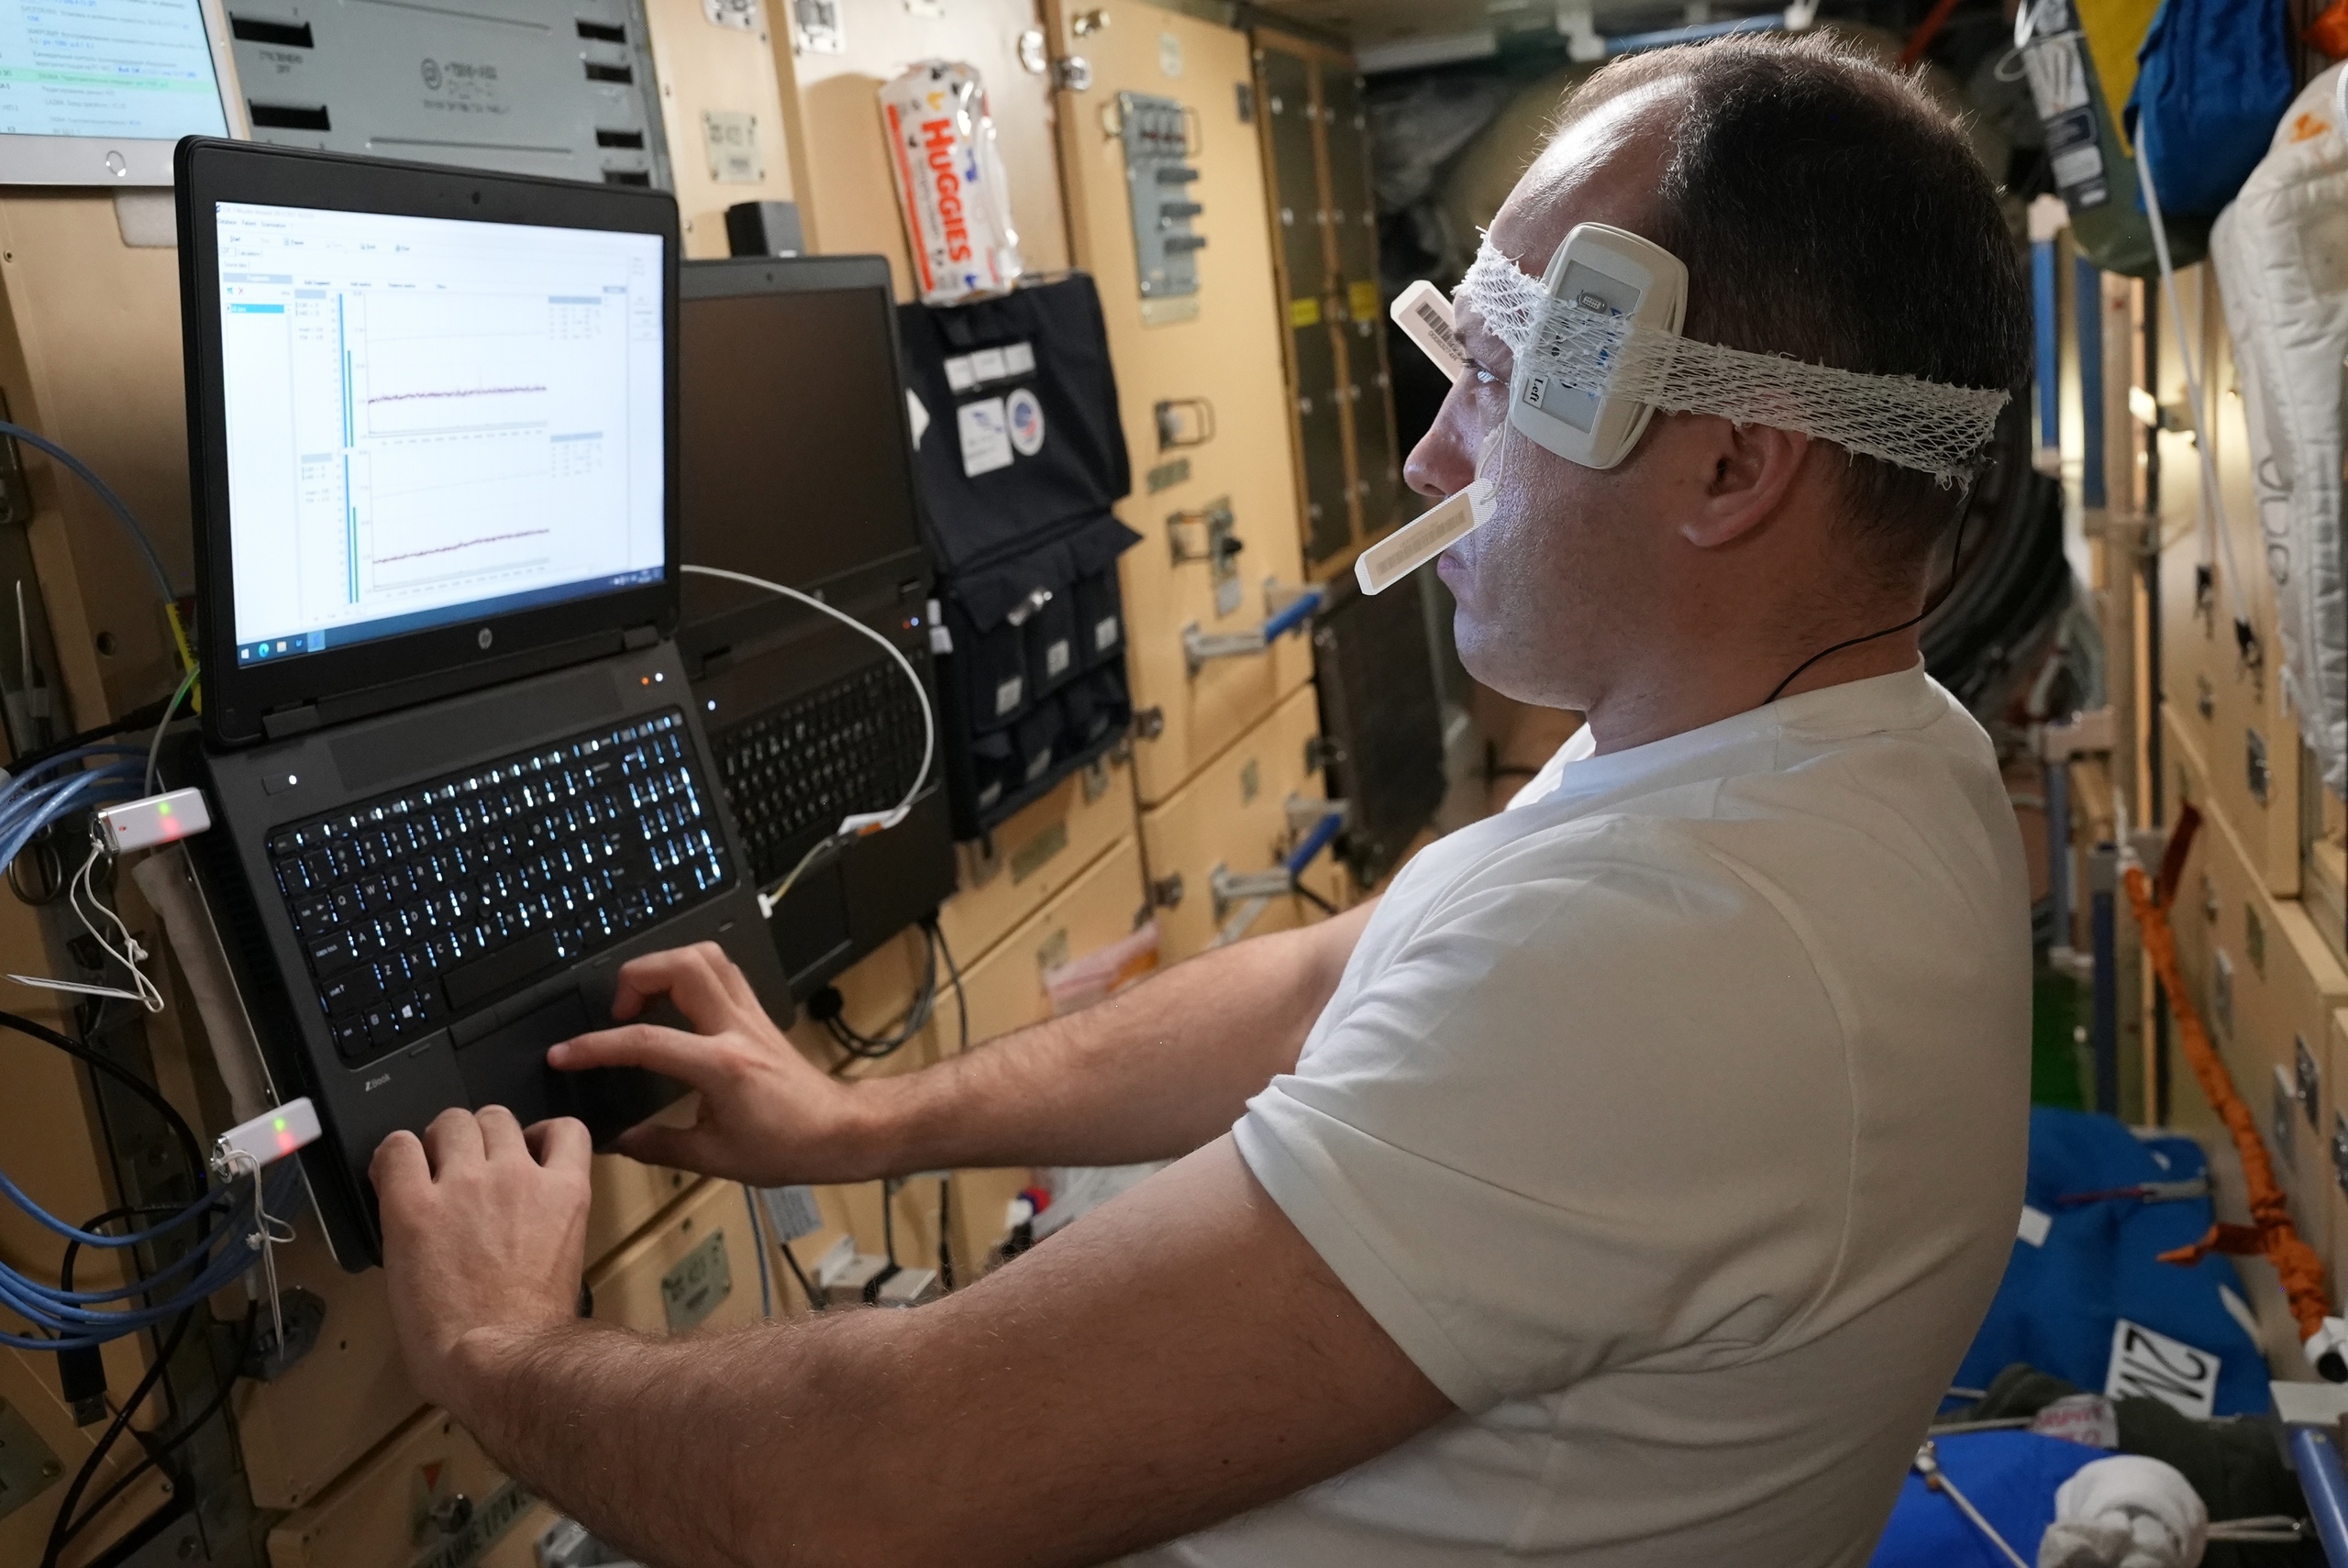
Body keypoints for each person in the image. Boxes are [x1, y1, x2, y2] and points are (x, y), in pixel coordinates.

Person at [370, 32, 2034, 1568]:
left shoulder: (1680, 956)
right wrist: (859, 1121)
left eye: (1508, 375)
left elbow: (868, 1483)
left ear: (1733, 468)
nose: (1431, 455)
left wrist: (497, 1343)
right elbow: (1330, 977)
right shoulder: (1848, 748)